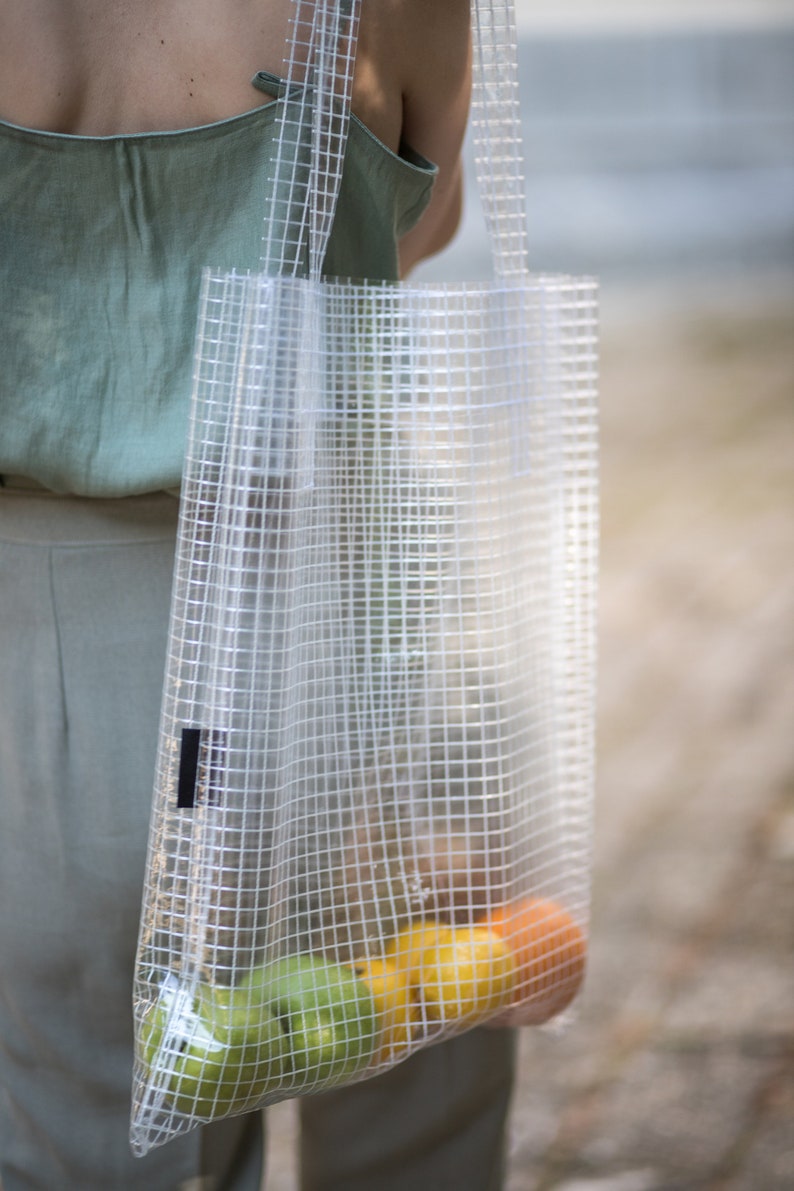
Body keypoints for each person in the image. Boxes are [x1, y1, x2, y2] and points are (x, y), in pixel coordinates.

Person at [0, 1, 517, 1188]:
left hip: (46, 639)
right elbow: (413, 227)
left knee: (88, 1128)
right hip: (350, 606)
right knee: (404, 1077)